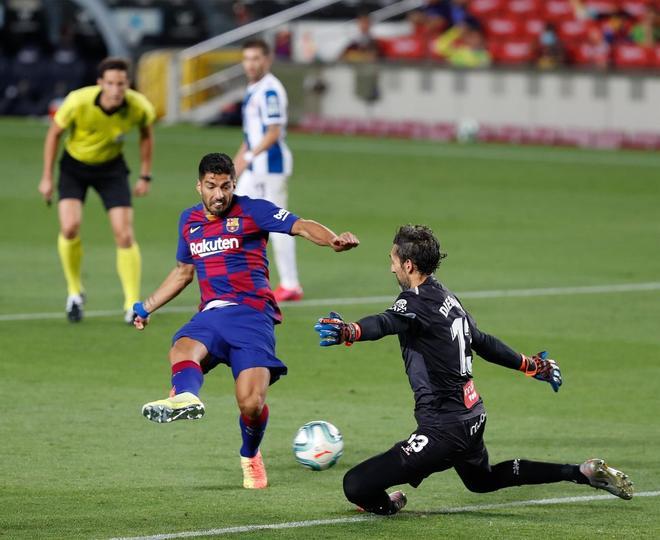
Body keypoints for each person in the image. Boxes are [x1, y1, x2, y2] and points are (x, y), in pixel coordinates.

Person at [314, 224, 633, 515]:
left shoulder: (413, 303)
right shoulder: (447, 298)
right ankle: (579, 472)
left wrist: (350, 330)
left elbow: (385, 322)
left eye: (393, 260)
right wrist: (530, 365)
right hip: (472, 417)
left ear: (408, 265)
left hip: (442, 429)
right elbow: (482, 341)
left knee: (355, 485)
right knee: (482, 480)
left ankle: (388, 505)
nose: (392, 266)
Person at [133, 152, 359, 489]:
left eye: (225, 186)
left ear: (234, 184)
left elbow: (299, 225)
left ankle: (250, 455)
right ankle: (184, 397)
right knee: (182, 347)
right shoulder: (189, 221)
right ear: (199, 186)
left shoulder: (253, 210)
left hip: (252, 316)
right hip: (211, 314)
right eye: (211, 186)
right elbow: (183, 273)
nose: (219, 194)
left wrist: (333, 240)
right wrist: (146, 307)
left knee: (251, 404)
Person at [38, 57, 156, 323]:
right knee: (69, 227)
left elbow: (146, 133)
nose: (116, 89)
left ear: (128, 84)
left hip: (111, 169)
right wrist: (47, 177)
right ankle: (74, 292)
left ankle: (131, 303)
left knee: (124, 234)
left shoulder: (138, 106)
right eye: (111, 83)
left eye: (121, 84)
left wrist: (145, 175)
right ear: (100, 83)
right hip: (74, 167)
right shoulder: (78, 102)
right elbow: (54, 134)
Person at [233, 39, 301, 303]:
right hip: (255, 167)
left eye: (256, 58)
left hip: (269, 168)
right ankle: (243, 277)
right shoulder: (255, 88)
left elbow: (273, 132)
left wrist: (248, 157)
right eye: (247, 58)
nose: (251, 64)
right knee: (233, 216)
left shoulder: (270, 91)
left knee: (278, 223)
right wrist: (236, 166)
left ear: (267, 60)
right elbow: (251, 135)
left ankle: (290, 283)